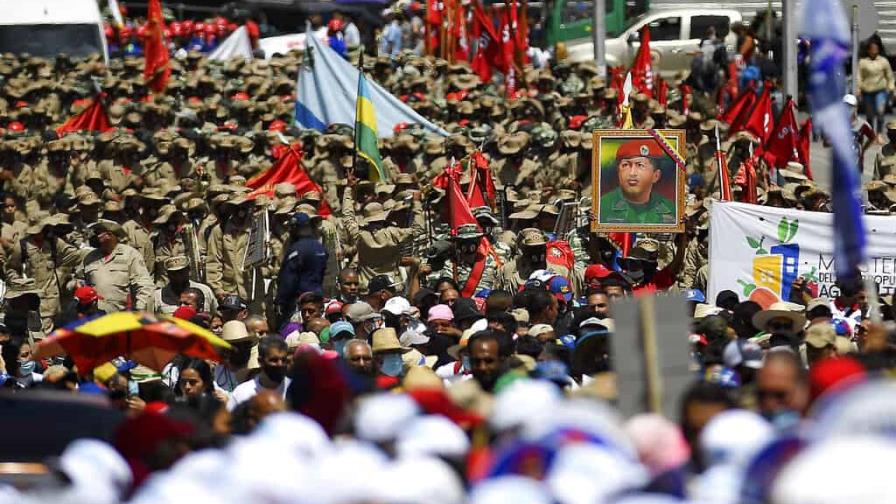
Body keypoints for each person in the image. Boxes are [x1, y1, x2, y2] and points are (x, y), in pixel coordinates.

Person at [79, 220, 154, 313]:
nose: (95, 236)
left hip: (121, 315)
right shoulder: (90, 257)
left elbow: (144, 284)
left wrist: (141, 308)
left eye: (98, 233)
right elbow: (79, 280)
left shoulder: (130, 254)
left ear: (109, 235)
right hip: (94, 315)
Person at [599, 139, 676, 224]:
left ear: (656, 176)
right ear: (618, 172)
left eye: (640, 165)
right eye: (625, 165)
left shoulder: (670, 209)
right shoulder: (602, 207)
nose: (632, 173)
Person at [275, 211, 328, 324]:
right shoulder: (320, 248)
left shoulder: (296, 250)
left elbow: (288, 280)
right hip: (318, 299)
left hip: (298, 303)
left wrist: (281, 301)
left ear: (294, 228)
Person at [227, 336, 290, 411]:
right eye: (274, 360)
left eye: (283, 360)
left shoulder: (295, 389)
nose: (280, 364)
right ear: (260, 361)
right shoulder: (242, 393)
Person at [858, 39, 895, 135]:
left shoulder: (883, 61)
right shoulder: (863, 62)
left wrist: (891, 87)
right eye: (872, 49)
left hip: (880, 91)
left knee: (880, 111)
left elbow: (889, 76)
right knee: (869, 115)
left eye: (876, 48)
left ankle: (879, 134)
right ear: (869, 50)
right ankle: (871, 134)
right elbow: (859, 76)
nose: (874, 50)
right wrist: (858, 88)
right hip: (867, 91)